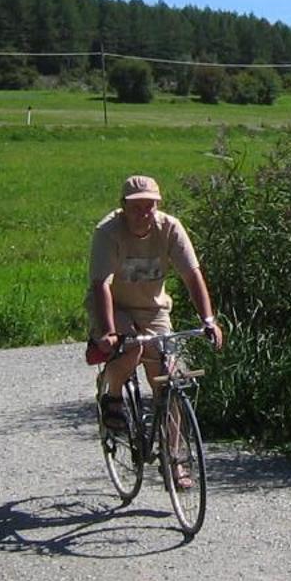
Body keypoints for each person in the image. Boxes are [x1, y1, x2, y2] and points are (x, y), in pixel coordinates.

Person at [86, 174, 223, 484]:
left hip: (153, 309)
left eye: (149, 206)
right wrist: (108, 332)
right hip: (114, 307)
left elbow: (192, 275)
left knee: (171, 376)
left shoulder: (170, 228)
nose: (143, 213)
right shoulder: (108, 232)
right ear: (123, 207)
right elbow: (101, 285)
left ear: (157, 206)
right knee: (130, 347)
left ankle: (174, 459)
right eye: (136, 207)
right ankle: (113, 396)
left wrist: (208, 321)